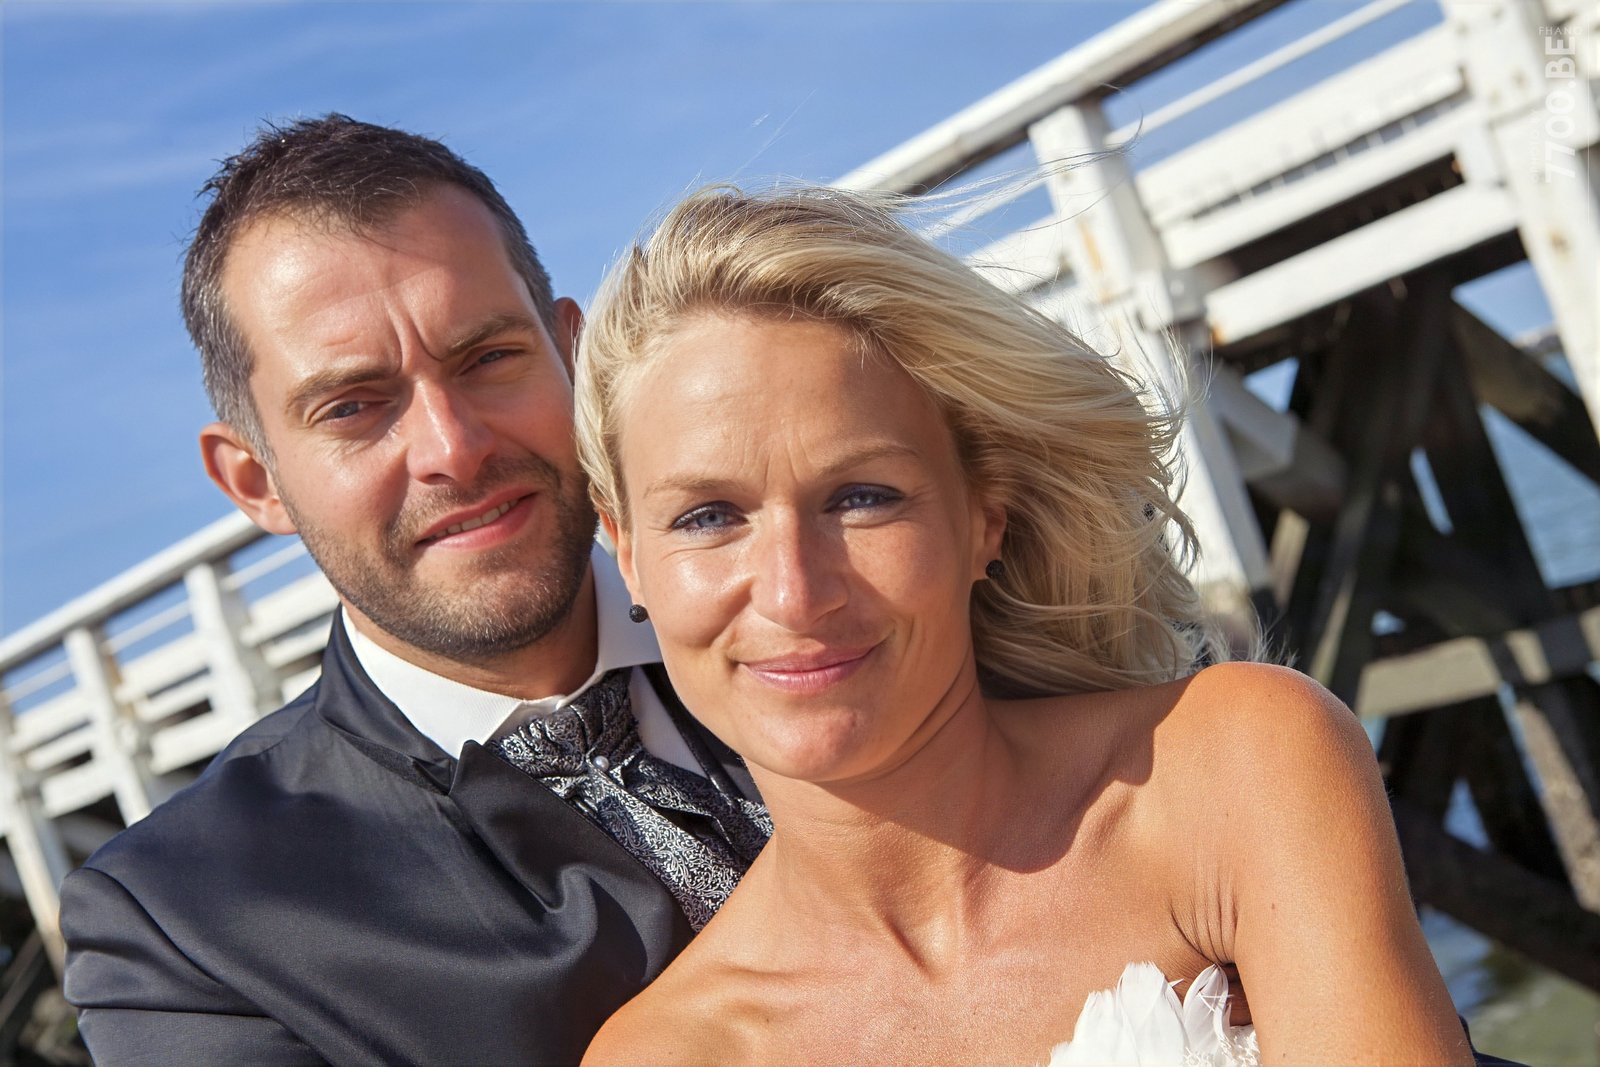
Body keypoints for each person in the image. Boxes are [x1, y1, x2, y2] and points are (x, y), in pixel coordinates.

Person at [571, 184, 1487, 1065]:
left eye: (862, 496)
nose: (793, 592)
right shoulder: (663, 1054)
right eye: (708, 516)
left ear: (984, 517)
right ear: (629, 554)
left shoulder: (1234, 770)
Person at [57, 116, 766, 1066]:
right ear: (257, 482)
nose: (452, 448)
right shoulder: (187, 920)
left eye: (488, 359)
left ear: (573, 353)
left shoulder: (834, 604)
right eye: (352, 406)